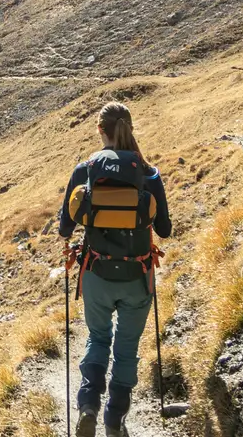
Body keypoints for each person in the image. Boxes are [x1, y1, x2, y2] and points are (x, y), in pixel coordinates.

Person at [56, 101, 173, 437]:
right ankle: (115, 419)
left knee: (97, 338)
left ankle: (88, 405)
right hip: (137, 277)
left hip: (96, 274)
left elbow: (66, 227)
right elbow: (163, 230)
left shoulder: (86, 170)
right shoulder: (148, 173)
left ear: (99, 130)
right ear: (131, 128)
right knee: (126, 348)